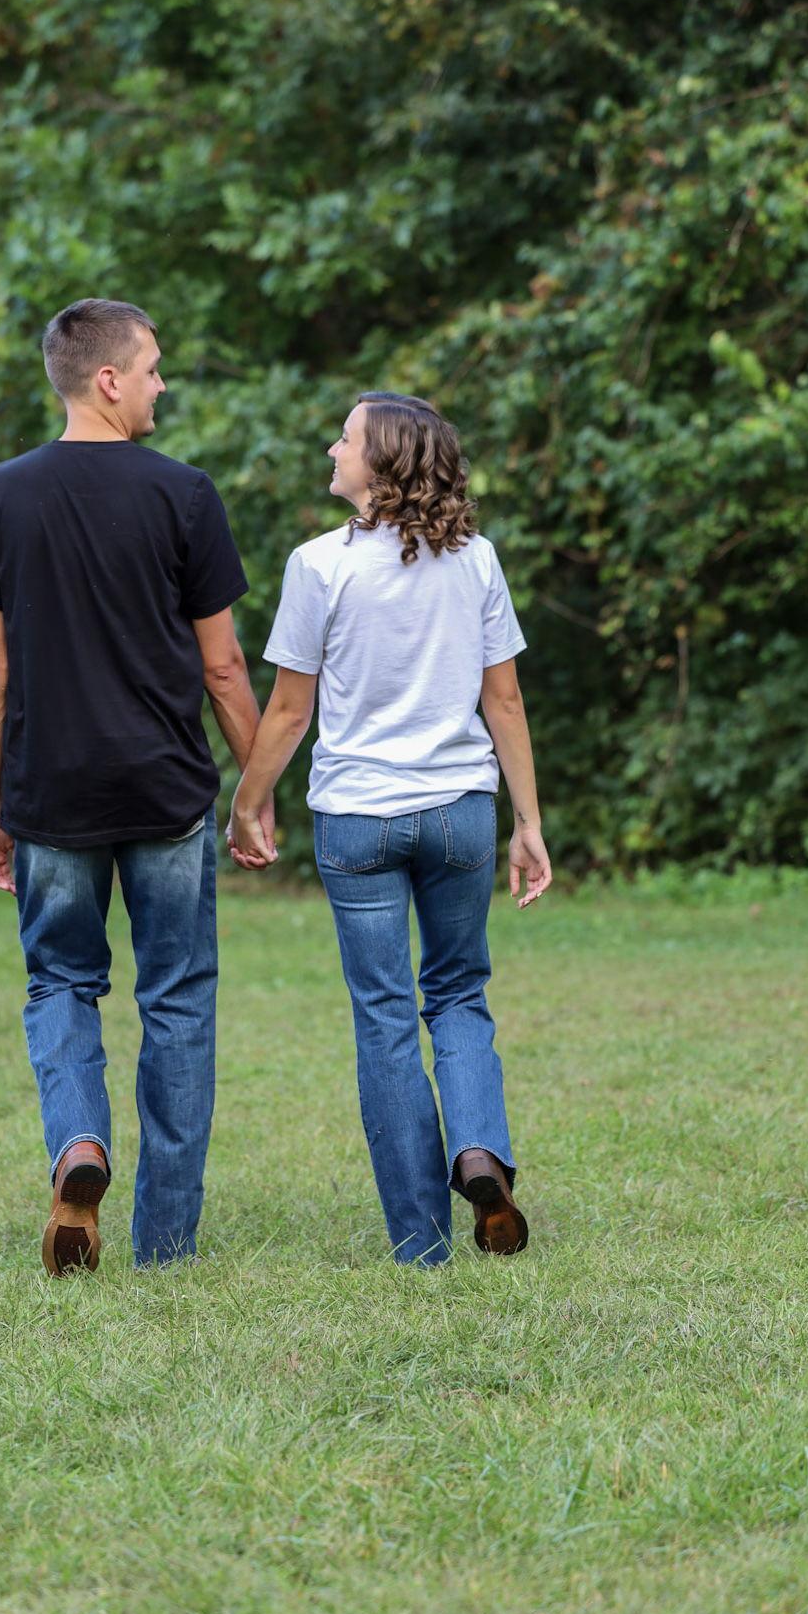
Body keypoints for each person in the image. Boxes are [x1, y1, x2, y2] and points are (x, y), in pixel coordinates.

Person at [0, 299, 269, 1275]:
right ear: (107, 379)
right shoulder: (185, 494)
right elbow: (223, 668)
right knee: (176, 1000)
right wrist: (255, 790)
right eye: (151, 368)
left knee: (59, 980)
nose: (160, 385)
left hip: (50, 792)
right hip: (166, 793)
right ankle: (165, 1241)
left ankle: (79, 1144)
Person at [228, 393, 551, 1265]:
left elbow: (289, 712)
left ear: (382, 463)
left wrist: (248, 802)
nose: (331, 448)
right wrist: (527, 821)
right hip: (459, 812)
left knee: (384, 1017)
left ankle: (419, 1240)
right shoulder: (477, 561)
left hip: (358, 819)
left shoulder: (318, 565)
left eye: (346, 438)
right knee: (459, 993)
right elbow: (505, 700)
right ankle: (477, 1152)